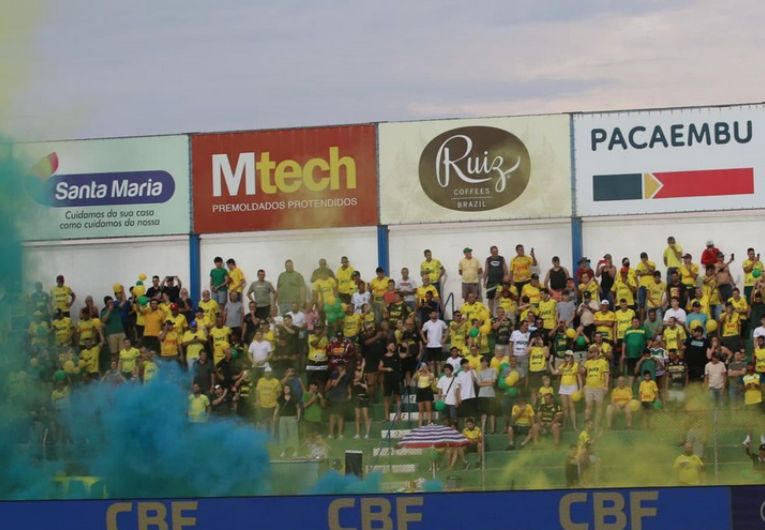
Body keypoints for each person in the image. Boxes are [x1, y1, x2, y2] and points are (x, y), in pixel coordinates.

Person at [553, 350, 581, 431]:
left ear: (572, 357)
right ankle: (564, 426)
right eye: (566, 356)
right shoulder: (562, 365)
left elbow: (579, 377)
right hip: (563, 387)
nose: (567, 357)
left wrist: (580, 388)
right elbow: (555, 373)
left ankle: (574, 426)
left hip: (572, 387)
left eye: (568, 356)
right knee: (565, 408)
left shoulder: (575, 365)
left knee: (572, 407)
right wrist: (550, 364)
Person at [326, 362, 351, 439]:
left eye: (342, 366)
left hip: (342, 398)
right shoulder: (334, 374)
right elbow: (334, 384)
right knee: (332, 416)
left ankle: (340, 434)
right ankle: (331, 434)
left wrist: (349, 394)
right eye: (339, 366)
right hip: (333, 397)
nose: (340, 367)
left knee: (340, 416)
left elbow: (348, 385)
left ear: (344, 367)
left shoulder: (348, 375)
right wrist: (341, 375)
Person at [274, 384, 300, 457]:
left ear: (290, 390)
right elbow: (277, 408)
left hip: (292, 418)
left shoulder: (294, 398)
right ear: (283, 390)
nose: (286, 390)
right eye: (285, 389)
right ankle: (283, 451)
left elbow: (298, 408)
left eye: (288, 388)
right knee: (282, 435)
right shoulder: (280, 398)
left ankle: (296, 450)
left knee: (293, 435)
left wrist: (298, 417)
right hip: (282, 418)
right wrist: (274, 416)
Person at [483, 246, 509, 313]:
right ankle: (491, 314)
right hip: (491, 282)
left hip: (500, 282)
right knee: (490, 298)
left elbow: (505, 269)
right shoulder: (488, 259)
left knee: (499, 297)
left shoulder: (501, 258)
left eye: (496, 251)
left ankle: (500, 314)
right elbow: (486, 270)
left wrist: (506, 277)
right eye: (494, 251)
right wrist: (484, 281)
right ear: (491, 252)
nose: (495, 252)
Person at [255, 367, 281, 433]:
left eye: (269, 372)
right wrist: (257, 400)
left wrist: (277, 403)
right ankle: (261, 436)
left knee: (272, 422)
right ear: (264, 373)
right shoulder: (260, 380)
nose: (268, 374)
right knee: (261, 422)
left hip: (272, 405)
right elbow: (257, 391)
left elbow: (279, 393)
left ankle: (272, 438)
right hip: (262, 405)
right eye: (266, 373)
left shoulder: (276, 381)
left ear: (272, 373)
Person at [352, 366, 371, 439]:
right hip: (357, 399)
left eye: (359, 371)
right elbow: (356, 381)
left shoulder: (365, 380)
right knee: (357, 417)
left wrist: (366, 387)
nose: (357, 373)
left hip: (364, 398)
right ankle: (357, 434)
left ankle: (367, 434)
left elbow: (368, 392)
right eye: (356, 371)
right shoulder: (354, 380)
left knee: (365, 416)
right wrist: (360, 383)